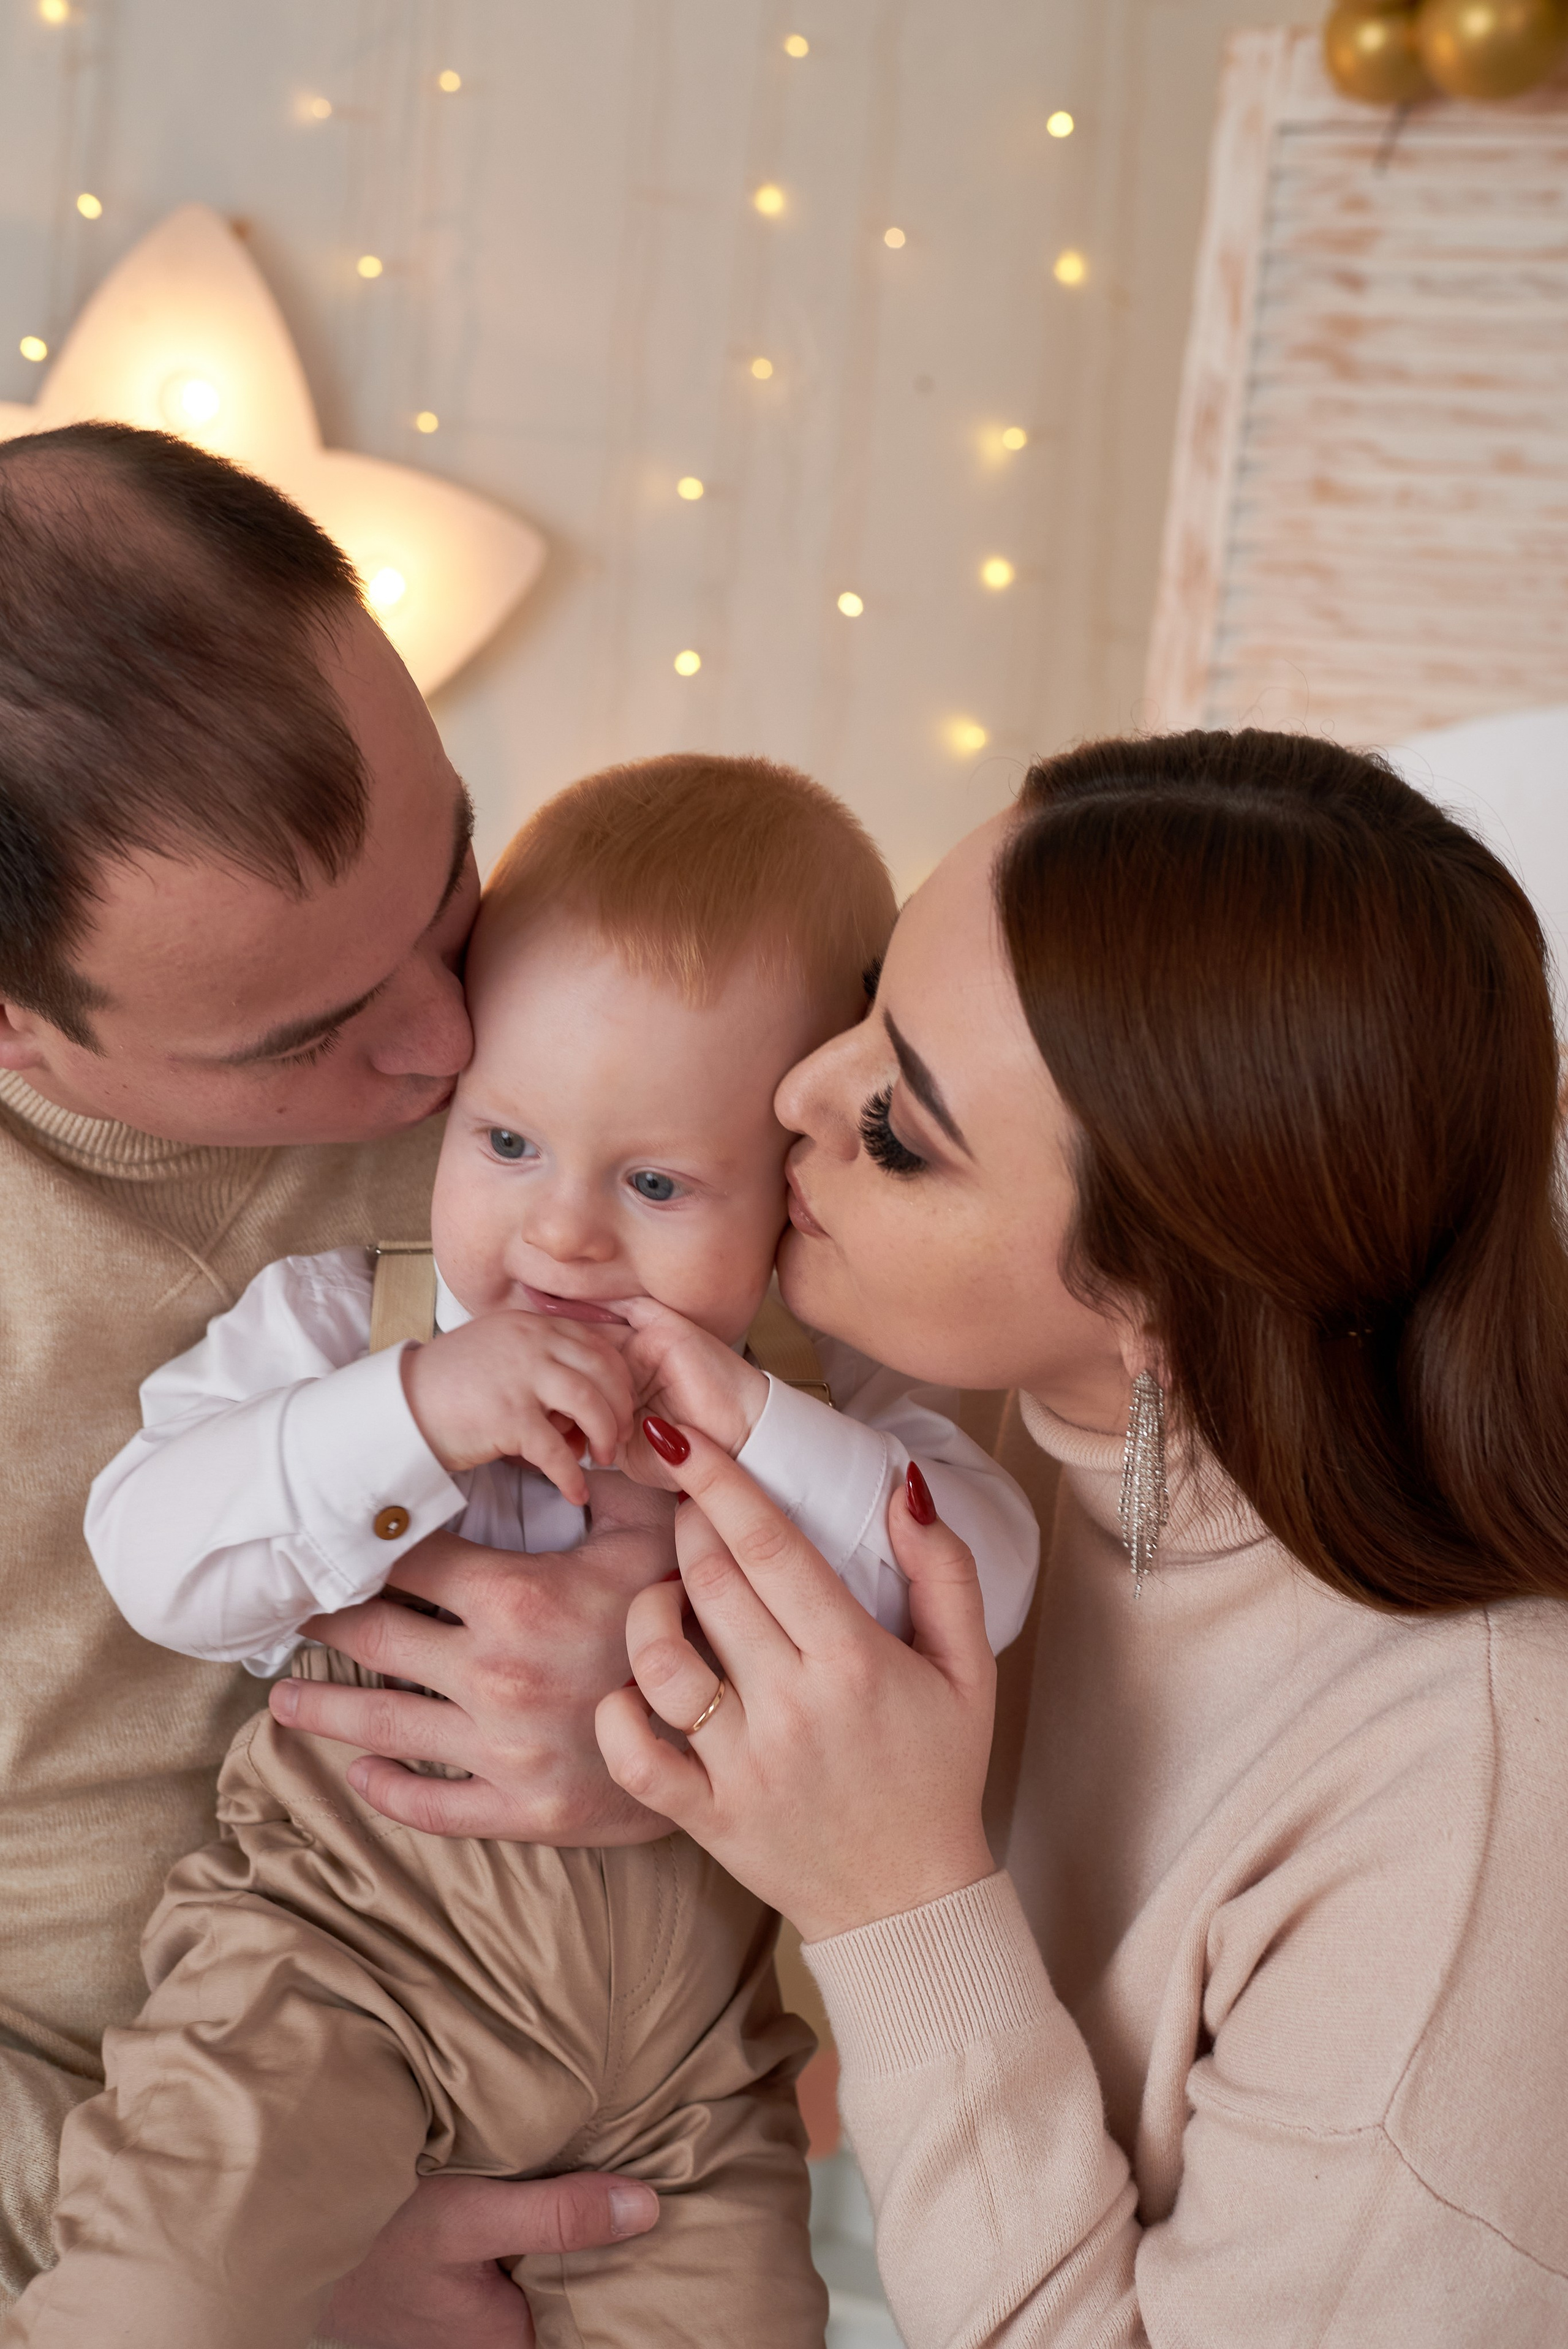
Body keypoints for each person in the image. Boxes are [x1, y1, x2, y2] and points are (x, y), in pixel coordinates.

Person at [12, 756, 1036, 2348]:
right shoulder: (357, 1317)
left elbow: (994, 1568)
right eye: (505, 1141)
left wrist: (751, 1426)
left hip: (689, 2093)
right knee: (168, 2291)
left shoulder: (824, 1383)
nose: (560, 1233)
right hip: (332, 1984)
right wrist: (412, 1409)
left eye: (654, 1182)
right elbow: (157, 1557)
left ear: (786, 1189)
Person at [594, 731, 1568, 2344]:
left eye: (899, 1125)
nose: (794, 1095)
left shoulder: (1468, 1818)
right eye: (869, 998)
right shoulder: (944, 1383)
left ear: (1158, 1306)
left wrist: (899, 1898)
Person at [0, 421, 698, 2349]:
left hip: (580, 2033)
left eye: (453, 864)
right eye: (312, 1034)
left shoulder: (597, 1008)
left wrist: (665, 1701)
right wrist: (268, 2263)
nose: (460, 1036)